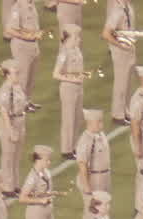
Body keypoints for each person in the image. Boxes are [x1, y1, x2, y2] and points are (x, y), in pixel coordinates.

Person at [101, 0, 139, 125]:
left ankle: (125, 110)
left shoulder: (128, 7)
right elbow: (106, 33)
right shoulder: (116, 11)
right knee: (121, 83)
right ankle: (117, 114)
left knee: (128, 82)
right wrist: (120, 44)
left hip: (130, 48)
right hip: (120, 51)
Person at [54, 29, 89, 158]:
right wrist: (72, 79)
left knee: (77, 117)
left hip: (78, 87)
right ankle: (66, 150)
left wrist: (81, 75)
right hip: (68, 88)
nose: (78, 39)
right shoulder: (64, 53)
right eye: (76, 37)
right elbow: (56, 74)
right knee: (69, 118)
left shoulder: (76, 50)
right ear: (68, 39)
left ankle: (74, 146)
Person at [20, 146, 57, 219]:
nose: (49, 162)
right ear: (38, 160)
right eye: (47, 160)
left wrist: (50, 193)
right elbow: (22, 198)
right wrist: (40, 200)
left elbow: (42, 191)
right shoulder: (32, 177)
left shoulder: (46, 172)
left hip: (48, 210)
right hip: (36, 213)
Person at [77, 108, 112, 199]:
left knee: (104, 206)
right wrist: (87, 186)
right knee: (94, 210)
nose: (102, 124)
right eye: (99, 122)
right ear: (90, 123)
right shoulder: (85, 140)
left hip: (105, 176)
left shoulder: (101, 134)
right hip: (95, 179)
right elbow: (82, 164)